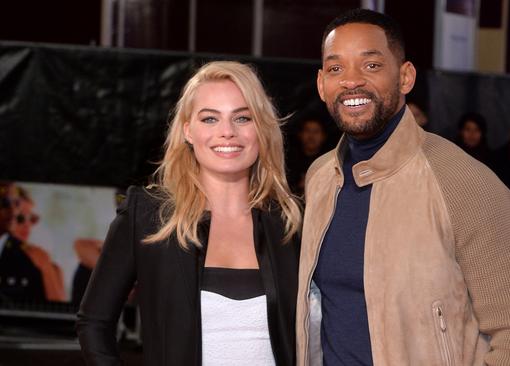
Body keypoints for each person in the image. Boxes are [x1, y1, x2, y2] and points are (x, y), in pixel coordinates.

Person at [297, 9, 510, 366]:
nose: (351, 81)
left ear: (405, 77)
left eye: (371, 65)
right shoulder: (320, 178)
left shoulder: (464, 181)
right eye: (336, 68)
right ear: (322, 84)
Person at [77, 61, 302, 366]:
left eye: (243, 118)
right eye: (210, 119)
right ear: (188, 131)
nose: (227, 132)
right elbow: (94, 323)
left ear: (262, 128)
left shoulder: (291, 222)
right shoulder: (147, 217)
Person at [9, 185, 66, 302]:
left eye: (32, 218)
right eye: (19, 218)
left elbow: (60, 313)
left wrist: (46, 268)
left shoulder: (51, 266)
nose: (27, 224)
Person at [286, 117, 328, 195]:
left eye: (316, 132)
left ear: (323, 136)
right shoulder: (288, 161)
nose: (311, 136)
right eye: (307, 131)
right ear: (300, 134)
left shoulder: (329, 163)